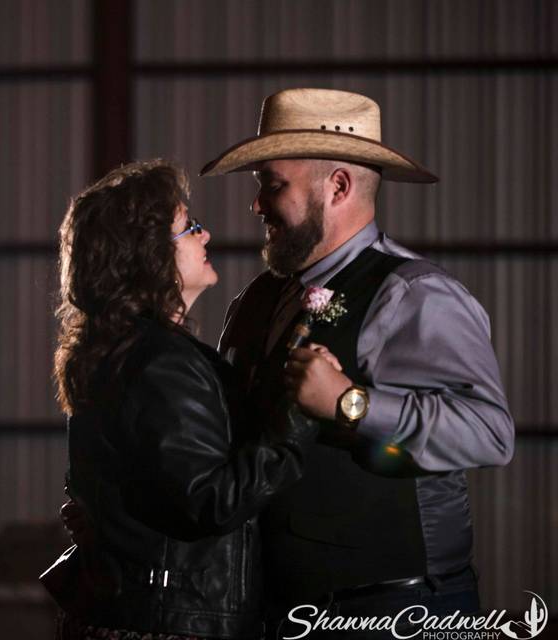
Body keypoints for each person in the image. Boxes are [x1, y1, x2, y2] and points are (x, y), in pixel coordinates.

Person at [200, 88, 515, 638]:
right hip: (279, 608)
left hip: (394, 613)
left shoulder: (416, 294)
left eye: (273, 185)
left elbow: (489, 433)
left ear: (338, 187)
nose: (256, 206)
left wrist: (352, 403)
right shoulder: (256, 300)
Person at [46, 160, 327, 640]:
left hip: (133, 613)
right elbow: (209, 501)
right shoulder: (161, 363)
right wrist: (300, 416)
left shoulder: (115, 349)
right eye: (189, 228)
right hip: (175, 622)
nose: (206, 235)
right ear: (149, 256)